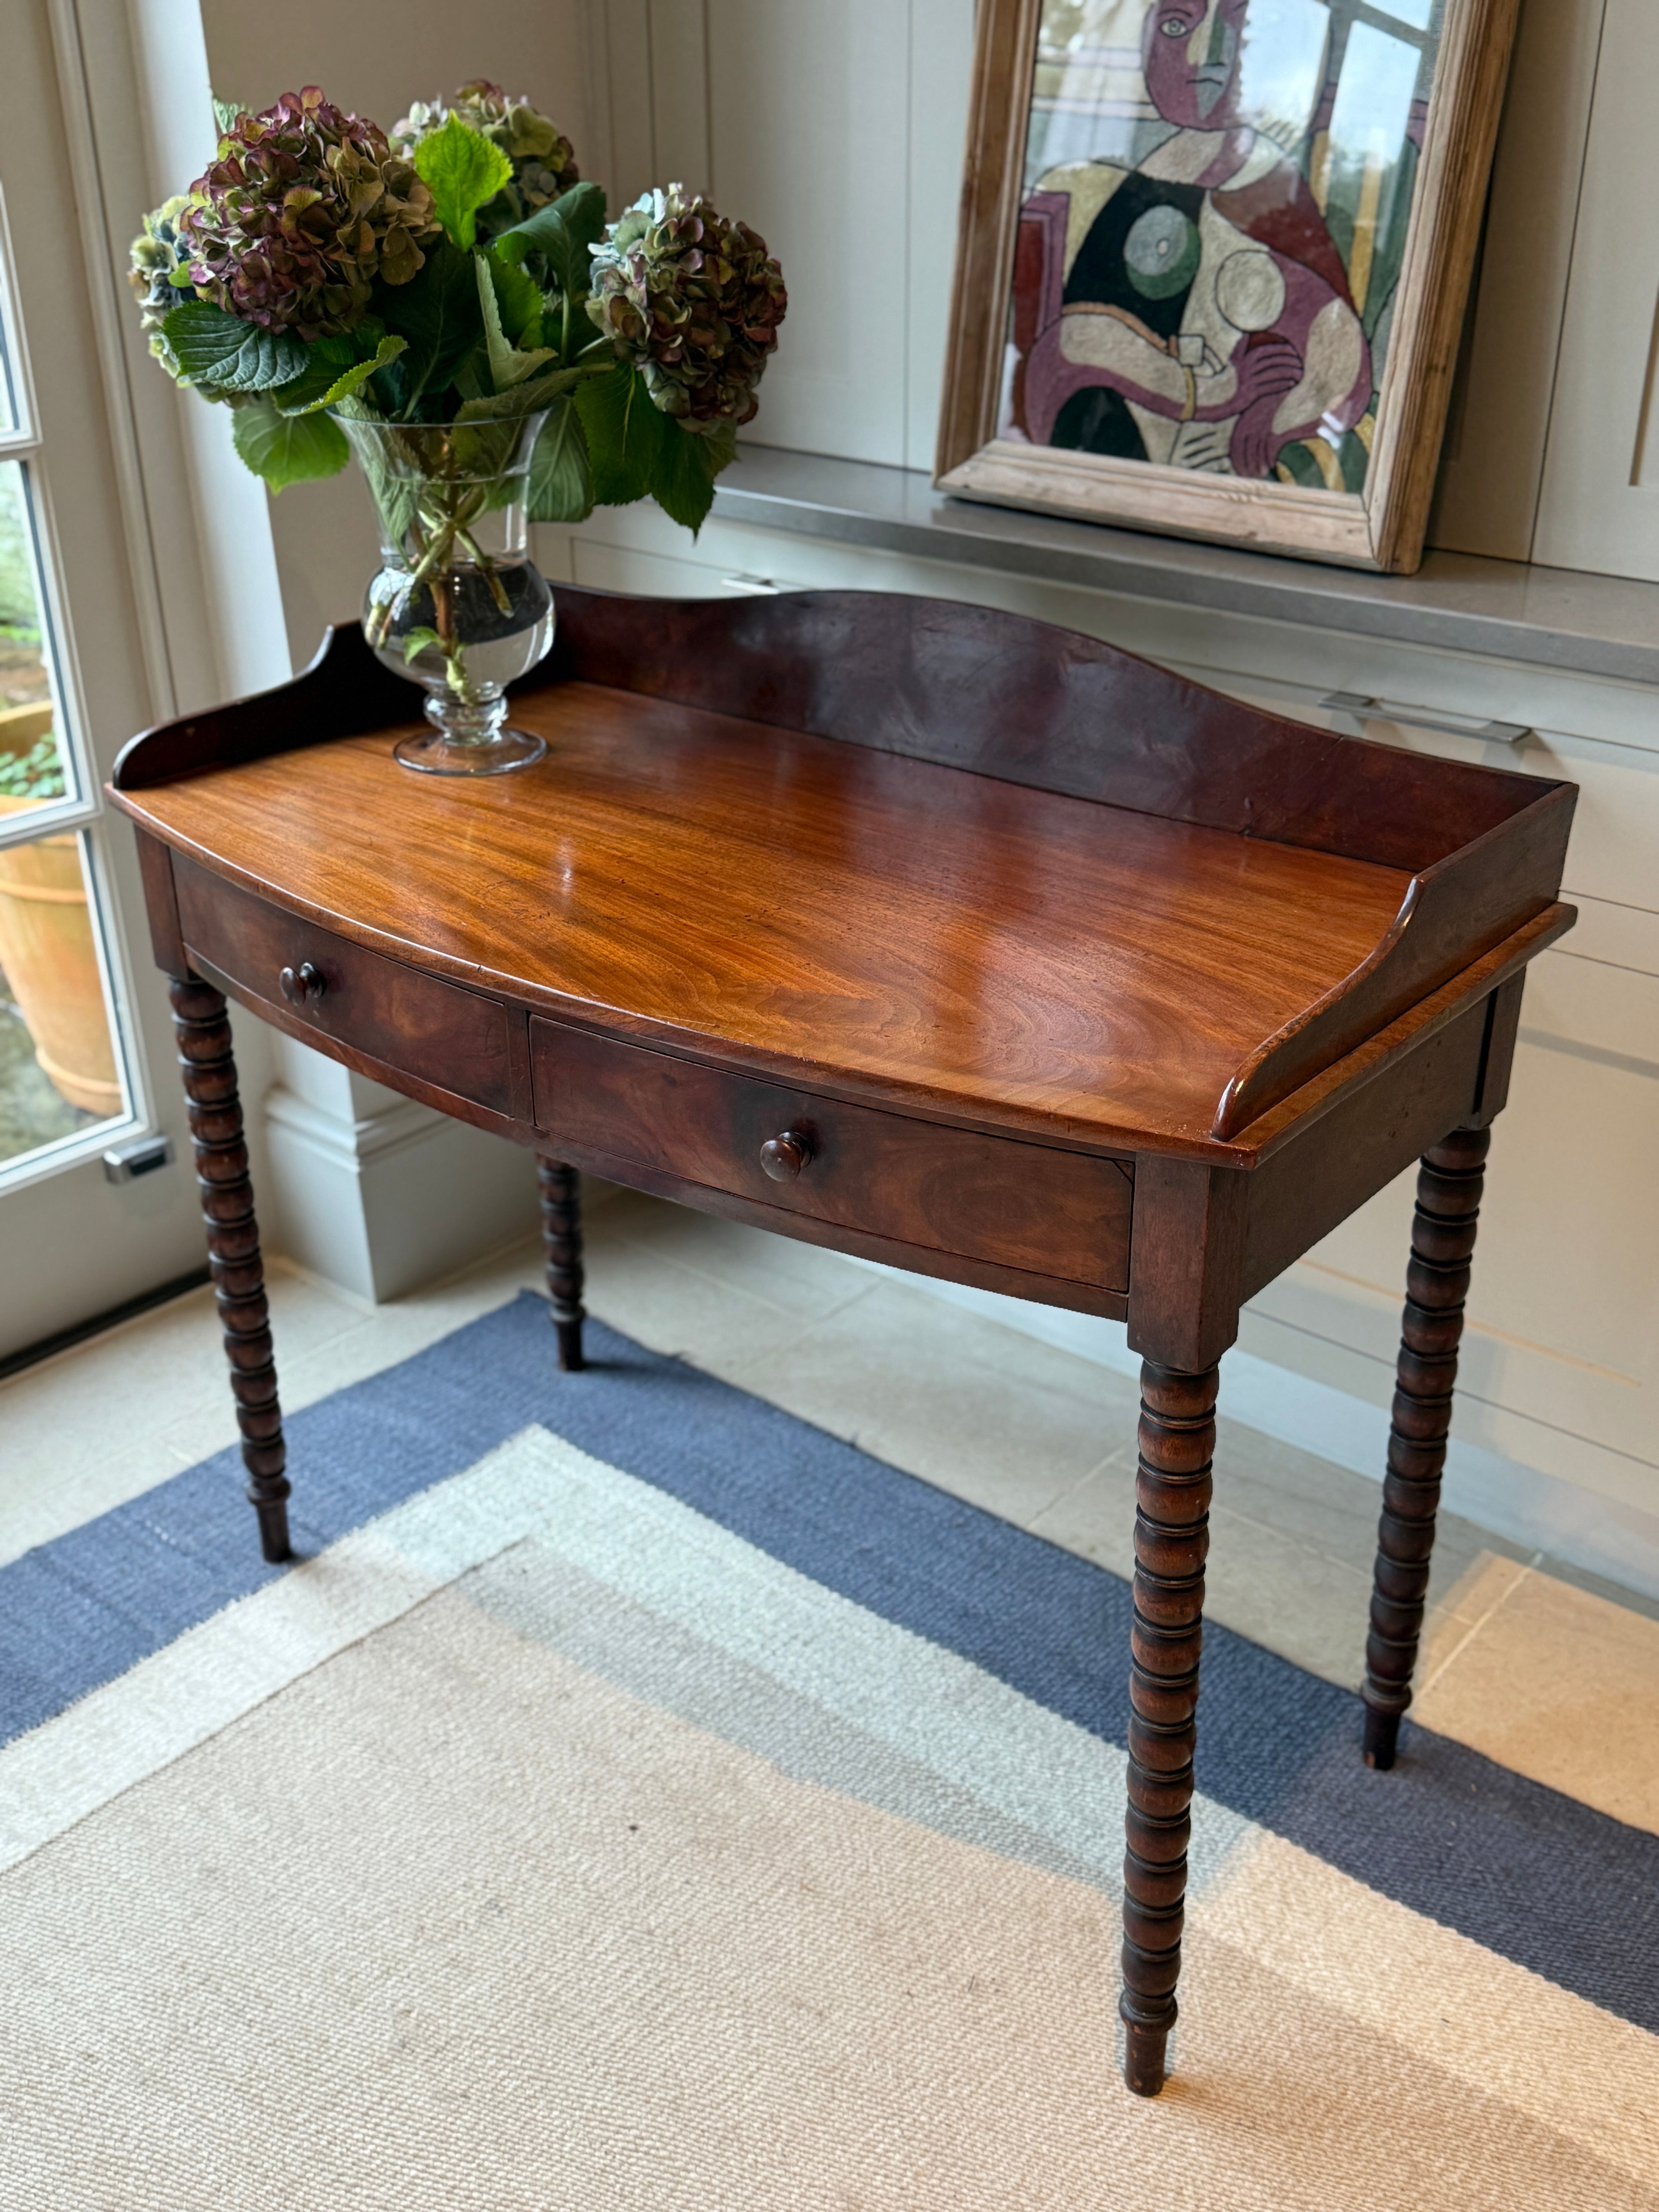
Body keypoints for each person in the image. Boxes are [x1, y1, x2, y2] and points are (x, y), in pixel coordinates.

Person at [1012, 0, 1370, 481]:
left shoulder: (1269, 185)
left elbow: (1338, 354)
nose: (1210, 57)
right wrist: (1211, 391)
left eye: (1234, 32)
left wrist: (1275, 417)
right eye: (1179, 26)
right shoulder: (1091, 188)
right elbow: (1060, 348)